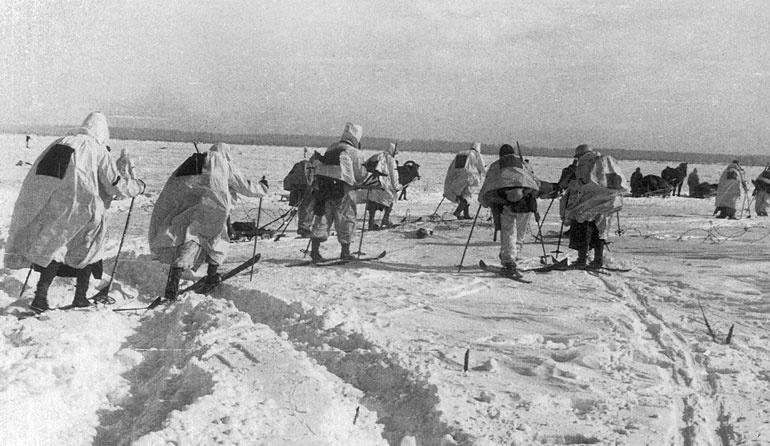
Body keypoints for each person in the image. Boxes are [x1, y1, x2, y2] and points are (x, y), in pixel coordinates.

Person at [5, 112, 146, 312]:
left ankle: (40, 297)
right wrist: (138, 186)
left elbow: (40, 177)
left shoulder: (61, 142)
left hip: (56, 207)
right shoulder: (97, 149)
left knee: (55, 249)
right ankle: (80, 297)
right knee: (88, 250)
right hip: (86, 209)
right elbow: (116, 185)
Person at [149, 143, 268, 302]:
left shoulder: (193, 162)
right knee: (218, 242)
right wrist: (263, 188)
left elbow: (176, 186)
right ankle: (212, 275)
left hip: (190, 212)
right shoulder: (224, 164)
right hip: (214, 211)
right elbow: (245, 186)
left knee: (189, 241)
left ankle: (172, 286)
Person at [308, 122, 367, 262]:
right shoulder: (355, 153)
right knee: (346, 219)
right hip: (343, 190)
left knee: (322, 217)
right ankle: (345, 252)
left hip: (324, 188)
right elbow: (360, 175)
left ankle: (315, 252)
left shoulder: (332, 147)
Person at [479, 144, 540, 272]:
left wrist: (484, 199)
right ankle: (515, 253)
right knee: (521, 230)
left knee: (508, 231)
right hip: (525, 202)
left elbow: (489, 183)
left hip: (505, 202)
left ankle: (508, 259)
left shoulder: (496, 165)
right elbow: (535, 181)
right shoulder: (523, 163)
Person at [563, 144, 626, 269]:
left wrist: (571, 184)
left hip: (591, 202)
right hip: (608, 201)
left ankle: (582, 260)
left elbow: (584, 183)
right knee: (600, 232)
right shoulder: (604, 161)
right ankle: (598, 260)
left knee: (584, 229)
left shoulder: (586, 163)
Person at [444, 142, 486, 219]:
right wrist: (486, 174)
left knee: (463, 195)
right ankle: (457, 213)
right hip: (469, 177)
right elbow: (482, 167)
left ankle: (466, 214)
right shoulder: (476, 154)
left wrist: (451, 177)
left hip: (458, 176)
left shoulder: (461, 153)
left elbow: (452, 166)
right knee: (467, 196)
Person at [365, 142, 400, 229]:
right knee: (390, 199)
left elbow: (366, 164)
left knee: (372, 203)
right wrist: (396, 187)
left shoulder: (378, 155)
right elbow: (393, 175)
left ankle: (371, 223)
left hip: (374, 183)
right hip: (384, 185)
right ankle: (385, 219)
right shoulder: (391, 160)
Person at [283, 159, 315, 237]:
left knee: (305, 208)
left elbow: (288, 180)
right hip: (307, 189)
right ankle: (304, 228)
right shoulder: (311, 167)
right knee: (307, 208)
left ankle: (303, 227)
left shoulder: (301, 165)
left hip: (299, 189)